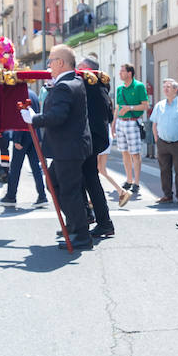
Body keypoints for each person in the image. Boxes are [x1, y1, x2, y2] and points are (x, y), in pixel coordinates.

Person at [22, 45, 94, 249]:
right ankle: (74, 222)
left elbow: (58, 116)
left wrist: (34, 118)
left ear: (60, 63)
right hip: (70, 147)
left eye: (51, 61)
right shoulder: (74, 81)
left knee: (67, 190)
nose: (49, 65)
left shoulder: (64, 86)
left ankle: (81, 233)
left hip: (68, 149)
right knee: (55, 184)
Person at [78, 55, 121, 236]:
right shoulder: (98, 87)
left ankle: (99, 220)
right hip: (94, 138)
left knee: (89, 179)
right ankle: (91, 217)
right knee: (86, 178)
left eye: (79, 68)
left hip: (90, 139)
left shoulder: (91, 86)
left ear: (87, 69)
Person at [0, 83, 48, 209]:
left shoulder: (20, 96)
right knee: (36, 166)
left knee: (15, 168)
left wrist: (17, 139)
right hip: (33, 134)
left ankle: (11, 196)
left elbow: (20, 119)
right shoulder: (33, 94)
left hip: (23, 135)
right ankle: (42, 195)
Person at [149, 76, 178, 203]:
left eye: (168, 87)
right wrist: (157, 139)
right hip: (163, 143)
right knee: (164, 170)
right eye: (164, 87)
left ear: (176, 89)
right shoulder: (159, 105)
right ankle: (167, 195)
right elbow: (154, 124)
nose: (165, 89)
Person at [113, 63, 148, 196]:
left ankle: (137, 183)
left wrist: (130, 108)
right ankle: (129, 179)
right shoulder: (120, 88)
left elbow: (145, 105)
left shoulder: (139, 86)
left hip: (133, 122)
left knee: (135, 154)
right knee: (124, 153)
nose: (120, 73)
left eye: (122, 71)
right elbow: (117, 107)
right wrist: (113, 123)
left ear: (129, 73)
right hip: (121, 123)